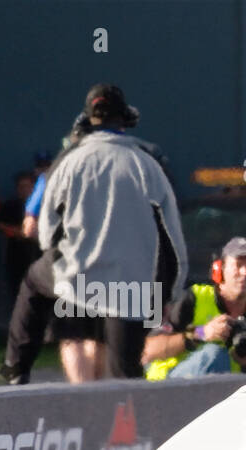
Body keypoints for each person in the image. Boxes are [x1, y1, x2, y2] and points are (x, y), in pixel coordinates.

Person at [38, 84, 186, 379]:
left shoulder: (69, 159)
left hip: (77, 270)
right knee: (115, 354)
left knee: (77, 336)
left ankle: (84, 405)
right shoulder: (146, 160)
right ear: (125, 118)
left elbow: (46, 228)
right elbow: (171, 231)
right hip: (130, 275)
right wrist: (173, 286)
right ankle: (104, 411)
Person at [143, 237, 246, 380]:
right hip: (168, 385)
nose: (245, 272)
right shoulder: (195, 298)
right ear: (220, 270)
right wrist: (201, 333)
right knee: (215, 354)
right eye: (238, 265)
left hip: (224, 391)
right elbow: (148, 350)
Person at [0, 171, 37, 300]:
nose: (24, 190)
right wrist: (16, 232)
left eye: (27, 186)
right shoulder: (10, 205)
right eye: (21, 187)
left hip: (38, 257)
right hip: (16, 257)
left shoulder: (44, 205)